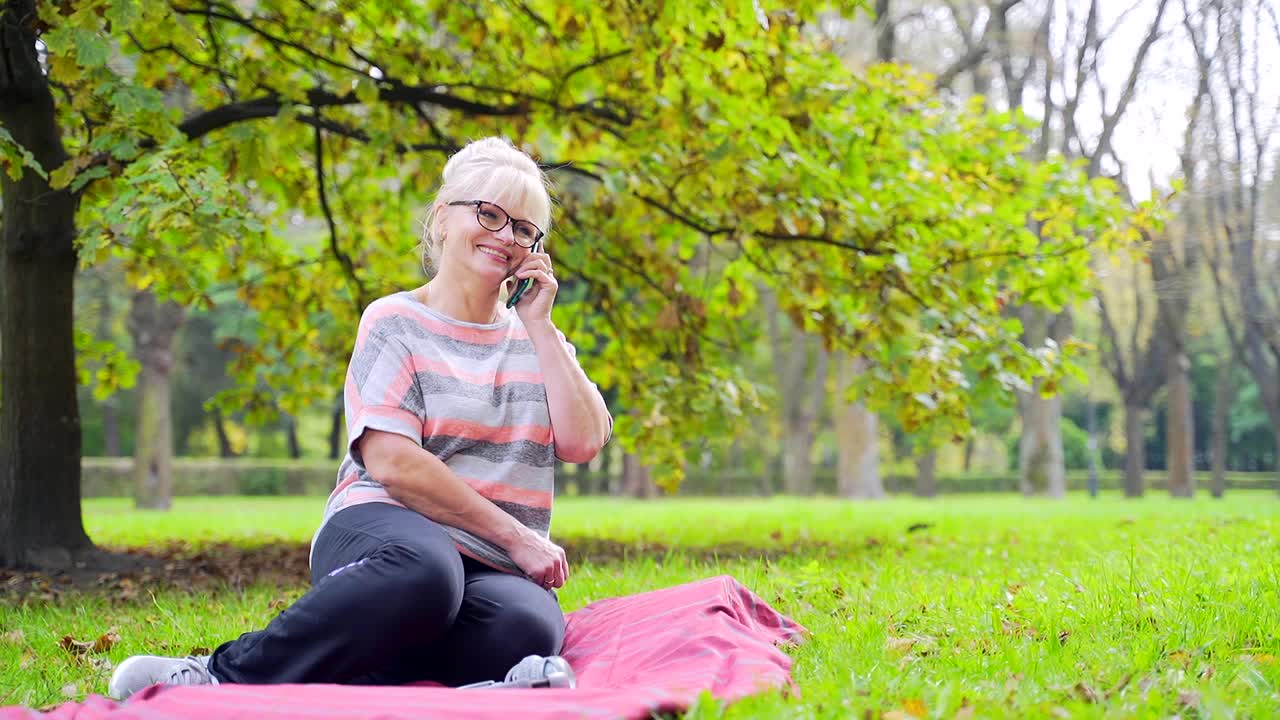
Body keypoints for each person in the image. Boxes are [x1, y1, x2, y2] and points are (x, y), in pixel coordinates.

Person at [109, 137, 613, 699]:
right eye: (489, 214)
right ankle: (222, 675)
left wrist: (541, 328)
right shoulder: (394, 321)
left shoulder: (539, 338)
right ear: (444, 219)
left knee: (528, 626)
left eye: (523, 229)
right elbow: (392, 462)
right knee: (427, 574)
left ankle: (418, 684)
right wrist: (518, 537)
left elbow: (584, 441)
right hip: (385, 534)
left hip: (490, 563)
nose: (505, 237)